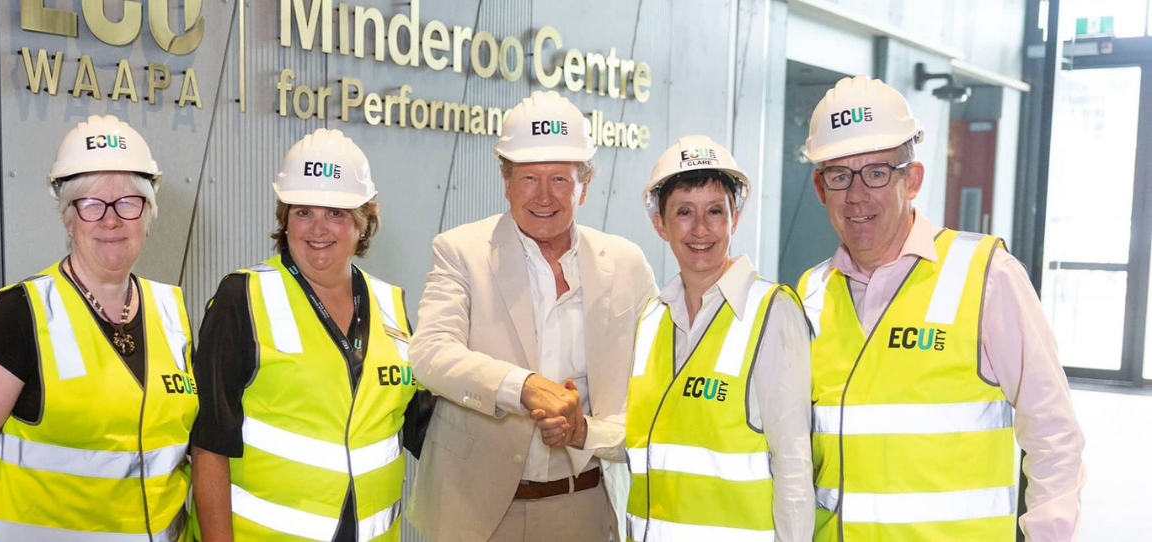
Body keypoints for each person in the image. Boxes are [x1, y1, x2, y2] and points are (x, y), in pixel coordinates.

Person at [795, 76, 1085, 541]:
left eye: (876, 172)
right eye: (839, 175)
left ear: (912, 179)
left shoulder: (987, 275)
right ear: (819, 187)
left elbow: (1052, 432)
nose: (856, 194)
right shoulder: (809, 294)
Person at [406, 90, 658, 542]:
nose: (544, 196)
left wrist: (588, 433)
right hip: (474, 511)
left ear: (585, 183)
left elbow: (655, 389)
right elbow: (430, 353)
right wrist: (522, 387)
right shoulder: (461, 251)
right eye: (528, 178)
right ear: (505, 180)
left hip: (582, 505)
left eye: (560, 179)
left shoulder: (627, 264)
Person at [0, 115, 197, 541]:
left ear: (149, 212)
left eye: (128, 201)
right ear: (68, 217)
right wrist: (29, 504)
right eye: (91, 204)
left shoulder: (172, 311)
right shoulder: (19, 315)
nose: (111, 221)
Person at [189, 128, 433, 542]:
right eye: (303, 212)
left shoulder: (390, 305)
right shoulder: (242, 298)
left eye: (335, 213)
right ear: (285, 221)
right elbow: (208, 444)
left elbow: (425, 429)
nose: (317, 229)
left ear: (363, 222)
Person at [625, 135, 814, 541]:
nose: (701, 229)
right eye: (684, 213)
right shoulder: (652, 318)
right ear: (660, 223)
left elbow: (794, 463)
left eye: (715, 211)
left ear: (735, 219)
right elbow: (652, 436)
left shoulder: (771, 312)